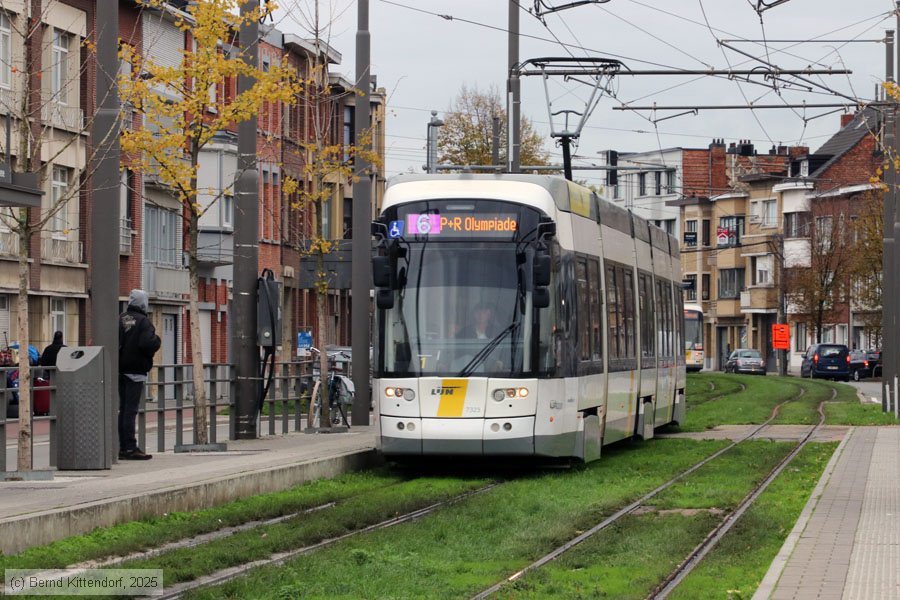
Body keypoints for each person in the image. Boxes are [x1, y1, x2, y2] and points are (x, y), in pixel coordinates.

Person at [118, 289, 161, 460]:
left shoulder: (120, 319)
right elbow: (147, 343)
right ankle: (130, 447)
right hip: (136, 370)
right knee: (131, 410)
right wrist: (157, 340)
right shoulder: (144, 322)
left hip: (121, 370)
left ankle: (123, 446)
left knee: (124, 409)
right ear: (143, 303)